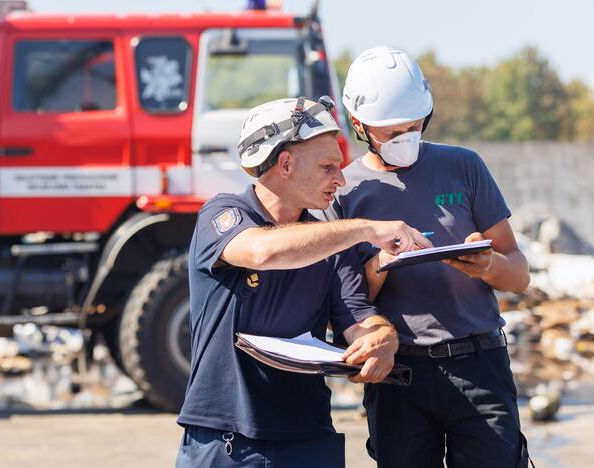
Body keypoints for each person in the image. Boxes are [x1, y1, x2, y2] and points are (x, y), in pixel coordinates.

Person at [175, 96, 431, 468]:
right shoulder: (223, 213)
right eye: (328, 166)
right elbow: (263, 252)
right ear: (286, 163)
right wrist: (363, 229)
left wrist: (382, 341)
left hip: (307, 441)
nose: (340, 179)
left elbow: (359, 319)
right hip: (225, 439)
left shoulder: (333, 242)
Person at [322, 47, 532, 467]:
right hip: (400, 373)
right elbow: (345, 303)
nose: (405, 138)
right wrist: (382, 260)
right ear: (359, 125)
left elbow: (518, 274)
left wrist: (490, 265)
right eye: (391, 131)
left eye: (413, 126)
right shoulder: (343, 193)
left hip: (480, 364)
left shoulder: (464, 166)